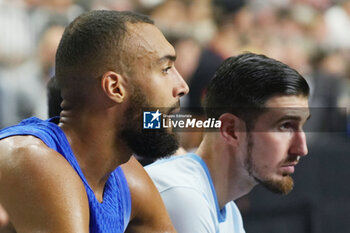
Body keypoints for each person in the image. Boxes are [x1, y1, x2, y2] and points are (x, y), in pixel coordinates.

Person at [0, 10, 188, 233]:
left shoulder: (125, 176)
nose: (182, 87)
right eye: (166, 69)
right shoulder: (34, 161)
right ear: (114, 88)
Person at [146, 53, 310, 233]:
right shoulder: (184, 196)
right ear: (231, 130)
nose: (302, 149)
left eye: (301, 126)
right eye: (285, 126)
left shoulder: (228, 208)